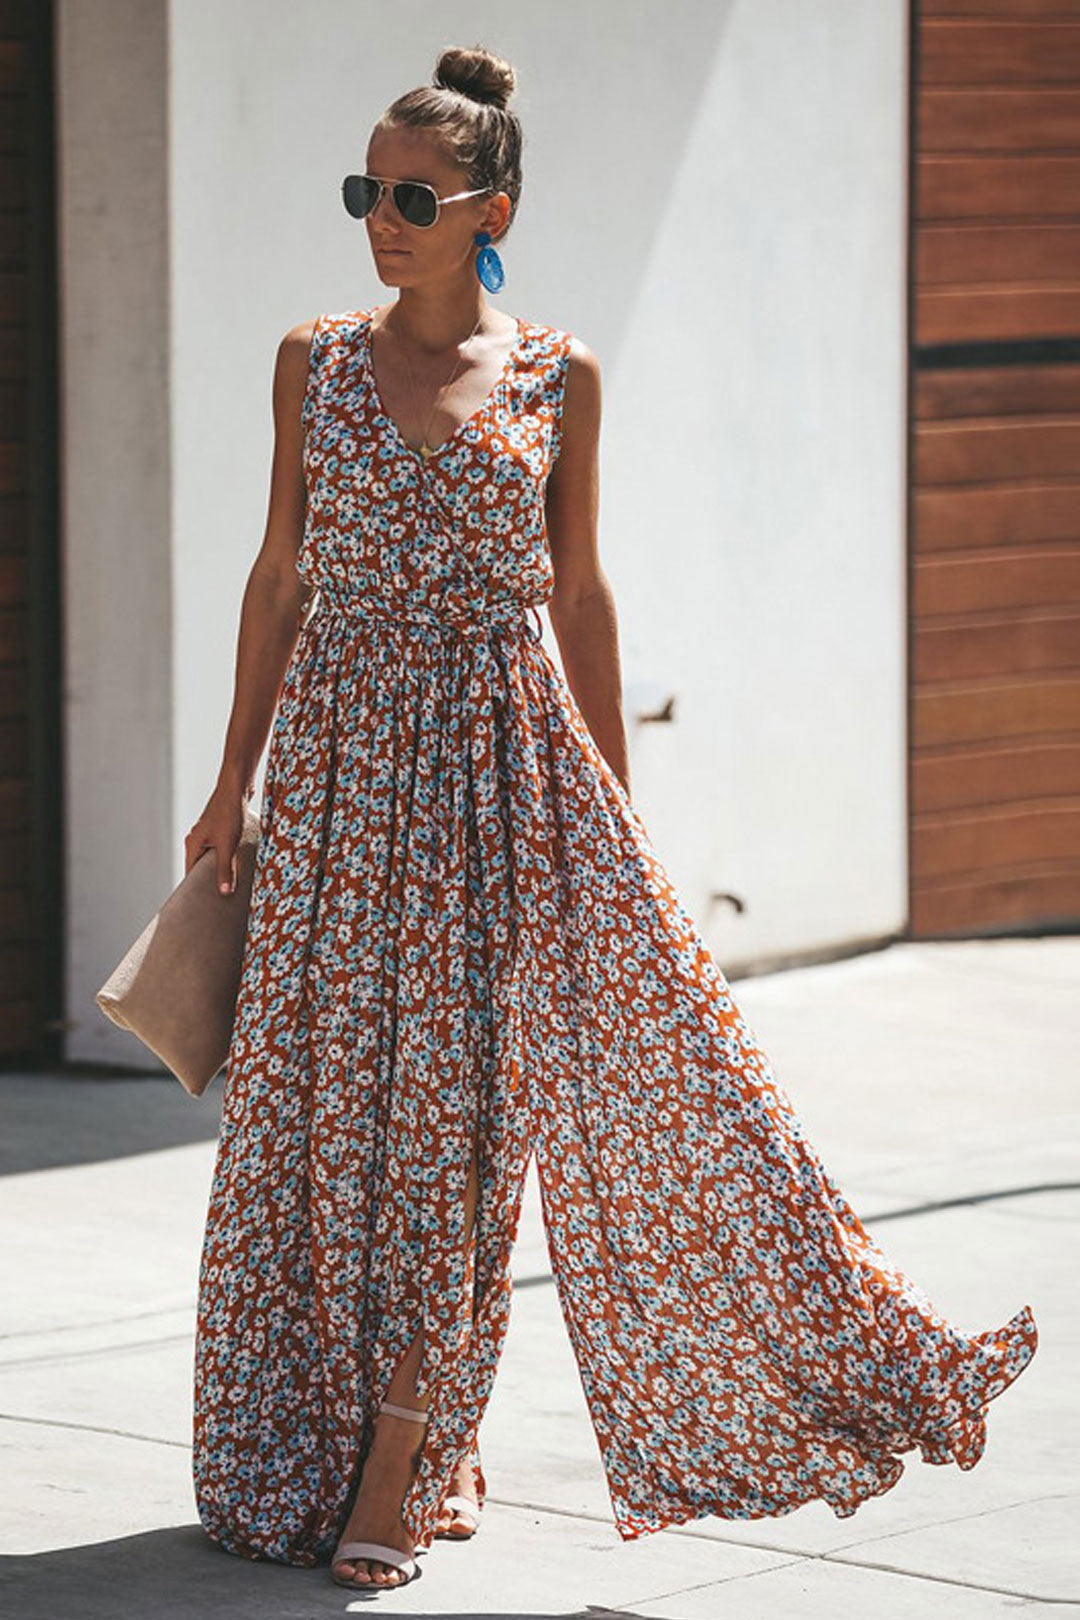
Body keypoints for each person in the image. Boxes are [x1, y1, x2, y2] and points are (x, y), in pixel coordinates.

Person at [188, 41, 1039, 1596]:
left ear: (485, 206)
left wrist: (618, 828)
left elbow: (580, 593)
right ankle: (331, 1440)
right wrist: (229, 777)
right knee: (315, 1126)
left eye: (408, 195)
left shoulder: (562, 375)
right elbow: (277, 574)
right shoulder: (310, 359)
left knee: (460, 1129)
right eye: (360, 191)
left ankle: (397, 1454)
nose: (378, 218)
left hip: (503, 782)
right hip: (333, 774)